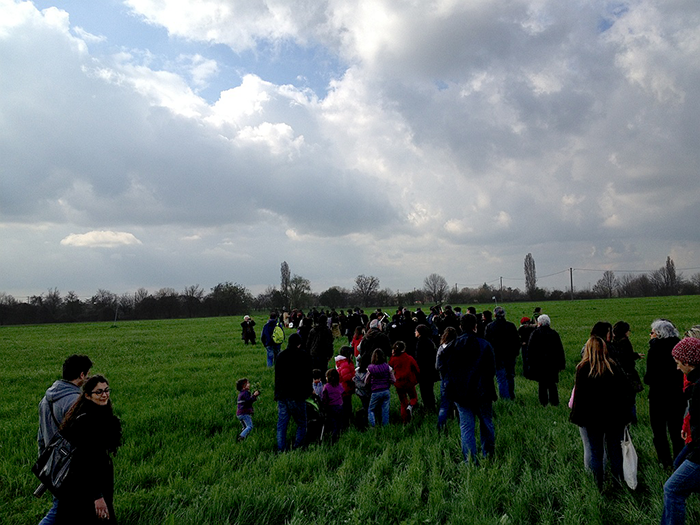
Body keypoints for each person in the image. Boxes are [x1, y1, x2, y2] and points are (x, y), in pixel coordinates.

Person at [569, 336, 634, 489]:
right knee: (615, 452)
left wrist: (577, 416)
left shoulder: (583, 368)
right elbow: (624, 392)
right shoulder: (613, 366)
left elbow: (580, 396)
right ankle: (618, 483)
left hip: (593, 419)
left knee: (596, 452)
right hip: (614, 417)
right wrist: (626, 415)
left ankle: (598, 485)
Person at [55, 375, 122, 525]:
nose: (104, 395)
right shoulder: (86, 422)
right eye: (98, 392)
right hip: (85, 488)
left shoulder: (101, 415)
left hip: (96, 483)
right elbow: (85, 462)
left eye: (106, 390)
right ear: (87, 395)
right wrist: (97, 496)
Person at [37, 354, 93, 525]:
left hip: (54, 466)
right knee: (60, 513)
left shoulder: (45, 400)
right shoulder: (77, 402)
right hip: (73, 469)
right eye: (88, 373)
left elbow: (41, 436)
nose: (89, 377)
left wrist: (45, 465)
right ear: (82, 375)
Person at [441, 314, 497, 465]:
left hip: (461, 394)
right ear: (475, 326)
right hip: (482, 392)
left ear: (461, 326)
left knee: (466, 427)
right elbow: (492, 369)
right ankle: (489, 455)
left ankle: (470, 460)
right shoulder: (485, 345)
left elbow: (445, 369)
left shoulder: (452, 346)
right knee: (486, 423)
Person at [660, 337, 700, 524]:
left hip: (699, 451)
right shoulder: (695, 384)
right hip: (695, 445)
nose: (677, 368)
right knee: (678, 465)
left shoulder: (699, 388)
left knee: (672, 489)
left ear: (689, 362)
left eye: (678, 363)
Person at [645, 319, 684, 467]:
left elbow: (650, 376)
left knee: (659, 432)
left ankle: (665, 461)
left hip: (658, 397)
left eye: (652, 332)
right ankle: (679, 461)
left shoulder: (654, 349)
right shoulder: (679, 346)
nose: (650, 335)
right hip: (677, 395)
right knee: (677, 431)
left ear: (659, 334)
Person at [274, 333, 313, 452]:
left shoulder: (281, 356)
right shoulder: (304, 356)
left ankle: (281, 448)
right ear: (299, 344)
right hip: (297, 394)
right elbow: (308, 376)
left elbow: (277, 376)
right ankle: (298, 446)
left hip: (282, 394)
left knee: (282, 424)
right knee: (301, 423)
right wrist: (308, 391)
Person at [525, 314, 566, 406]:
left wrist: (530, 364)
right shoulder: (554, 334)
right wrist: (561, 364)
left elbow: (530, 350)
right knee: (552, 384)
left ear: (539, 323)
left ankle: (543, 403)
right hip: (552, 364)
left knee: (542, 385)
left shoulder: (535, 334)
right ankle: (555, 402)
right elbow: (560, 350)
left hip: (539, 364)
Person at [484, 306, 521, 400]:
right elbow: (517, 341)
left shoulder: (490, 326)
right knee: (510, 376)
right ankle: (511, 395)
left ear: (495, 315)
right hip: (510, 355)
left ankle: (505, 398)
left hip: (497, 356)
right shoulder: (511, 326)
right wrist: (516, 353)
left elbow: (487, 342)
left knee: (501, 378)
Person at [389, 340, 420, 423]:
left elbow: (390, 367)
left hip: (398, 382)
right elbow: (416, 369)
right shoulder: (409, 358)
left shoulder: (393, 359)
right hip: (409, 381)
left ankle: (404, 420)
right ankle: (410, 406)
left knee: (403, 402)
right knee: (413, 397)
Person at [436, 327, 458, 431]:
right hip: (458, 378)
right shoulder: (459, 346)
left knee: (444, 405)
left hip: (445, 378)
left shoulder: (442, 348)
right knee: (459, 403)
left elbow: (437, 365)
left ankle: (441, 426)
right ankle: (460, 424)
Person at [366, 349, 394, 427]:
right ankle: (386, 426)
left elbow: (366, 381)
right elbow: (393, 379)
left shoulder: (370, 368)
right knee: (385, 410)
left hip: (375, 391)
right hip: (385, 390)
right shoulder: (387, 367)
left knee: (371, 409)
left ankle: (373, 425)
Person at [415, 324, 438, 411]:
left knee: (424, 391)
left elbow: (419, 358)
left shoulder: (420, 342)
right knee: (429, 390)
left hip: (423, 371)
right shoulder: (430, 341)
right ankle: (432, 406)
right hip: (431, 370)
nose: (415, 332)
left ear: (419, 332)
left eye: (416, 331)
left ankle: (428, 407)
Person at [322, 368, 344, 442]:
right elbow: (342, 393)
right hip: (340, 406)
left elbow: (324, 399)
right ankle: (340, 435)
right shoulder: (339, 385)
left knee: (333, 423)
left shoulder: (326, 387)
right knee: (339, 422)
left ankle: (334, 439)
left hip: (331, 407)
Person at [335, 348, 356, 429]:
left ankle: (345, 423)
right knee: (346, 407)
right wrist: (353, 378)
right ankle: (345, 424)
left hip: (344, 389)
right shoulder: (345, 364)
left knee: (346, 406)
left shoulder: (343, 363)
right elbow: (346, 377)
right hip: (346, 389)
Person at [236, 378, 260, 442]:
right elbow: (249, 401)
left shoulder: (241, 393)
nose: (249, 384)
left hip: (239, 414)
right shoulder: (245, 393)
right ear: (244, 386)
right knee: (250, 426)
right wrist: (254, 395)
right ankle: (241, 437)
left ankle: (244, 437)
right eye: (248, 383)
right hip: (244, 413)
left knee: (245, 427)